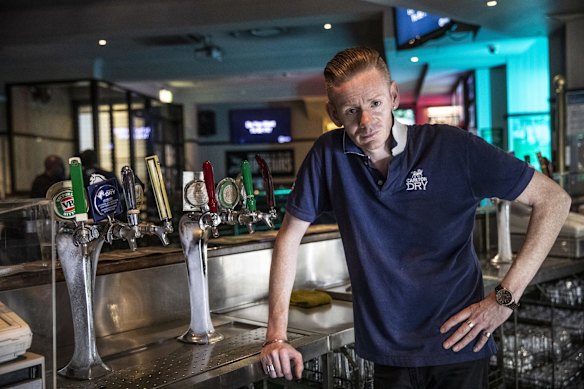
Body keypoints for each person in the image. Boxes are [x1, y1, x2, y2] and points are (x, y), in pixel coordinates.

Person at [259, 47, 571, 388]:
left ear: (393, 96)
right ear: (334, 113)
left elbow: (554, 200)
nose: (366, 121)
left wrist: (504, 299)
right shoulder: (328, 156)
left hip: (460, 347)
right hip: (386, 355)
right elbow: (288, 237)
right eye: (352, 110)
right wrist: (276, 336)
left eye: (375, 103)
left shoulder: (453, 147)